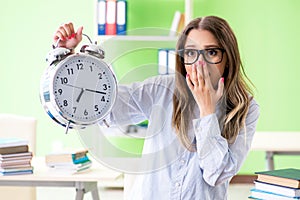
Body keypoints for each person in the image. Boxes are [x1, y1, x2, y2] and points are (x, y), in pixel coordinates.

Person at [53, 16, 260, 199]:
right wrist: (68, 56)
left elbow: (216, 174)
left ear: (228, 58)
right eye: (190, 54)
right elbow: (106, 105)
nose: (200, 64)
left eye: (211, 52)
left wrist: (207, 111)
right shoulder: (162, 89)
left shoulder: (246, 108)